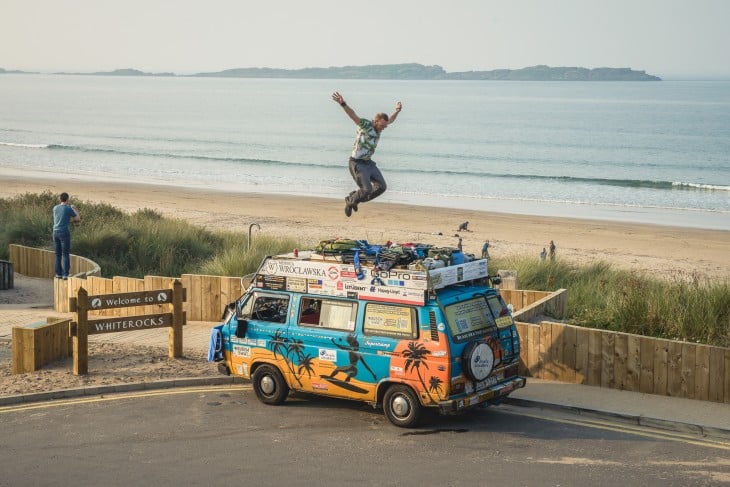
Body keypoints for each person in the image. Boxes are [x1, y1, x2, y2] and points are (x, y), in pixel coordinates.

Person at [332, 91, 402, 217]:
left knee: (382, 187)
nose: (383, 128)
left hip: (369, 164)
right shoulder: (365, 125)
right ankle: (351, 201)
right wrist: (343, 104)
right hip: (357, 163)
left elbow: (390, 120)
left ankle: (353, 198)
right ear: (376, 121)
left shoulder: (381, 127)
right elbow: (353, 115)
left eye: (385, 126)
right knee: (367, 189)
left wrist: (397, 111)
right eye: (382, 125)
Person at [52, 192, 81, 279]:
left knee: (58, 254)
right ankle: (65, 274)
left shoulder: (55, 208)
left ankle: (58, 274)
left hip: (55, 232)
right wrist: (75, 209)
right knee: (65, 254)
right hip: (64, 232)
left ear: (59, 199)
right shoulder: (68, 209)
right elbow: (78, 219)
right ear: (67, 199)